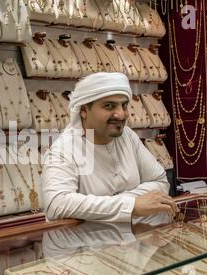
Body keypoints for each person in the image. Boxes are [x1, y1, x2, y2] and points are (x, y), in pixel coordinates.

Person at [42, 72, 179, 224]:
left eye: (124, 105)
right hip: (84, 246)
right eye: (109, 106)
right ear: (84, 110)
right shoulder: (64, 149)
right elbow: (56, 204)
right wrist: (132, 206)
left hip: (132, 240)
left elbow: (160, 182)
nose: (121, 114)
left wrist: (115, 205)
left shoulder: (128, 136)